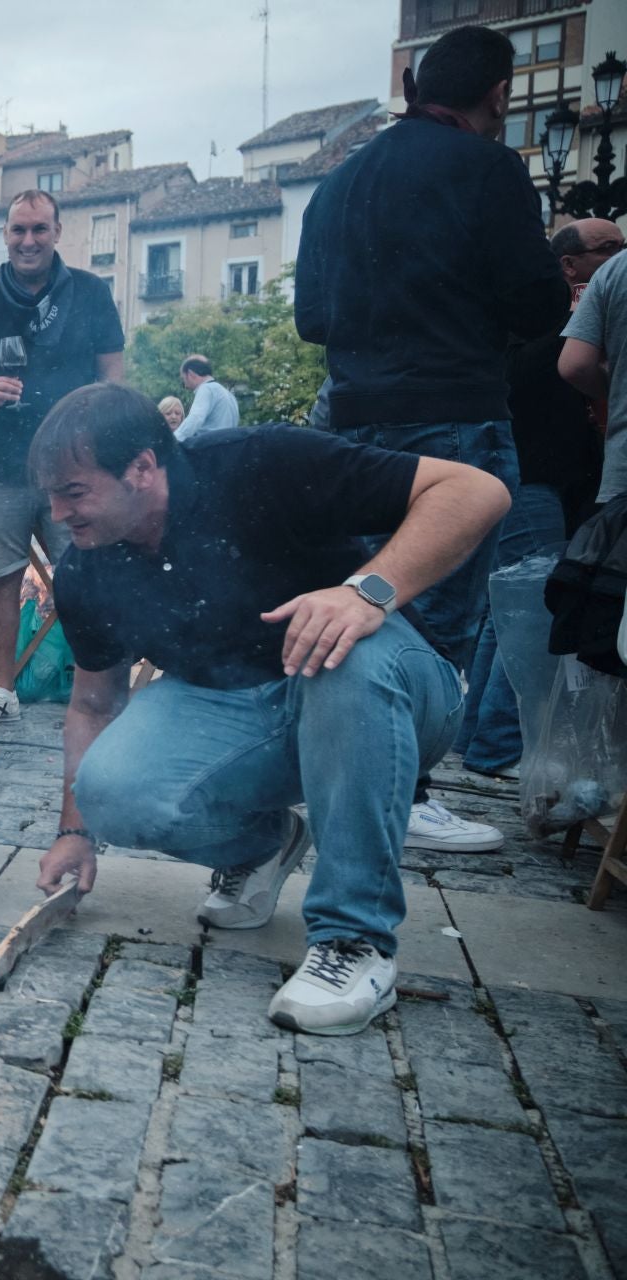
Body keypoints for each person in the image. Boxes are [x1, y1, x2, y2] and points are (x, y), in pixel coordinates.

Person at [32, 384, 507, 1035]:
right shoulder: (87, 568)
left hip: (398, 691)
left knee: (341, 658)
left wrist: (366, 593)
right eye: (52, 494)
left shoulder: (263, 461)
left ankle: (354, 941)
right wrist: (74, 833)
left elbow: (477, 491)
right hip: (246, 709)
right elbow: (92, 703)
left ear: (142, 468)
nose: (57, 513)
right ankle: (265, 844)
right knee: (111, 789)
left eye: (74, 492)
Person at [295, 23, 567, 855]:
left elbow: (311, 319)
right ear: (498, 99)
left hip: (351, 422)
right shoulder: (490, 167)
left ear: (413, 85)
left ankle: (342, 778)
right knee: (434, 618)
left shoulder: (338, 182)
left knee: (362, 597)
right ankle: (401, 791)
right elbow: (542, 309)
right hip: (452, 422)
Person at [0, 189, 126, 727]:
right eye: (18, 230)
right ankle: (2, 689)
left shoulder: (91, 294)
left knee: (89, 573)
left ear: (57, 232)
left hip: (75, 470)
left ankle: (103, 686)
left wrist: (95, 428)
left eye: (38, 229)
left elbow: (114, 376)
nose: (28, 240)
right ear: (5, 235)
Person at [455, 218, 617, 775]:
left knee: (505, 612)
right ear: (570, 265)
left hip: (532, 476)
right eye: (609, 249)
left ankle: (476, 736)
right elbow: (526, 379)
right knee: (532, 603)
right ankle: (499, 742)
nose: (620, 258)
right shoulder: (547, 318)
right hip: (530, 476)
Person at [561, 226, 627, 515]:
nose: (617, 253)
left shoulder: (615, 271)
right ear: (568, 264)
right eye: (606, 248)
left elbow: (574, 365)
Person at [173, 354, 239, 442]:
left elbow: (195, 419)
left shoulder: (206, 389)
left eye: (184, 379)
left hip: (211, 449)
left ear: (190, 374)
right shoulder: (228, 394)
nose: (185, 385)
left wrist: (173, 440)